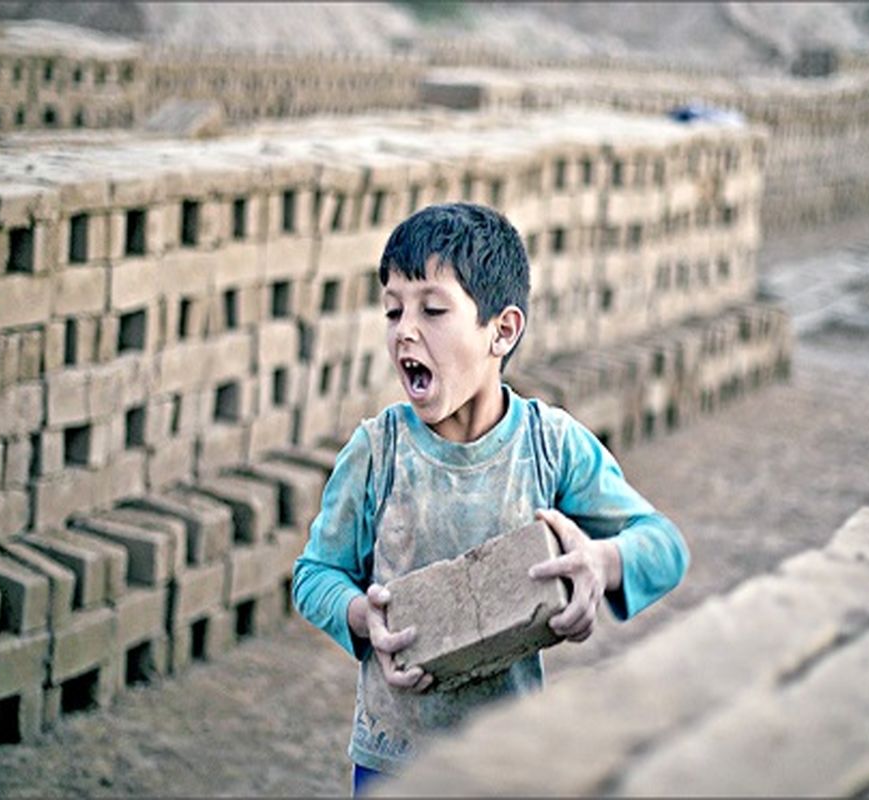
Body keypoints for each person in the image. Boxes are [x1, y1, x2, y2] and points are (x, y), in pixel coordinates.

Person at [292, 202, 690, 795]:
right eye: (392, 310)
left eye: (432, 309)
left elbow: (664, 546)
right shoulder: (378, 452)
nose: (405, 329)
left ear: (501, 330)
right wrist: (358, 614)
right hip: (392, 759)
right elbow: (314, 574)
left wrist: (599, 564)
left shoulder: (549, 445)